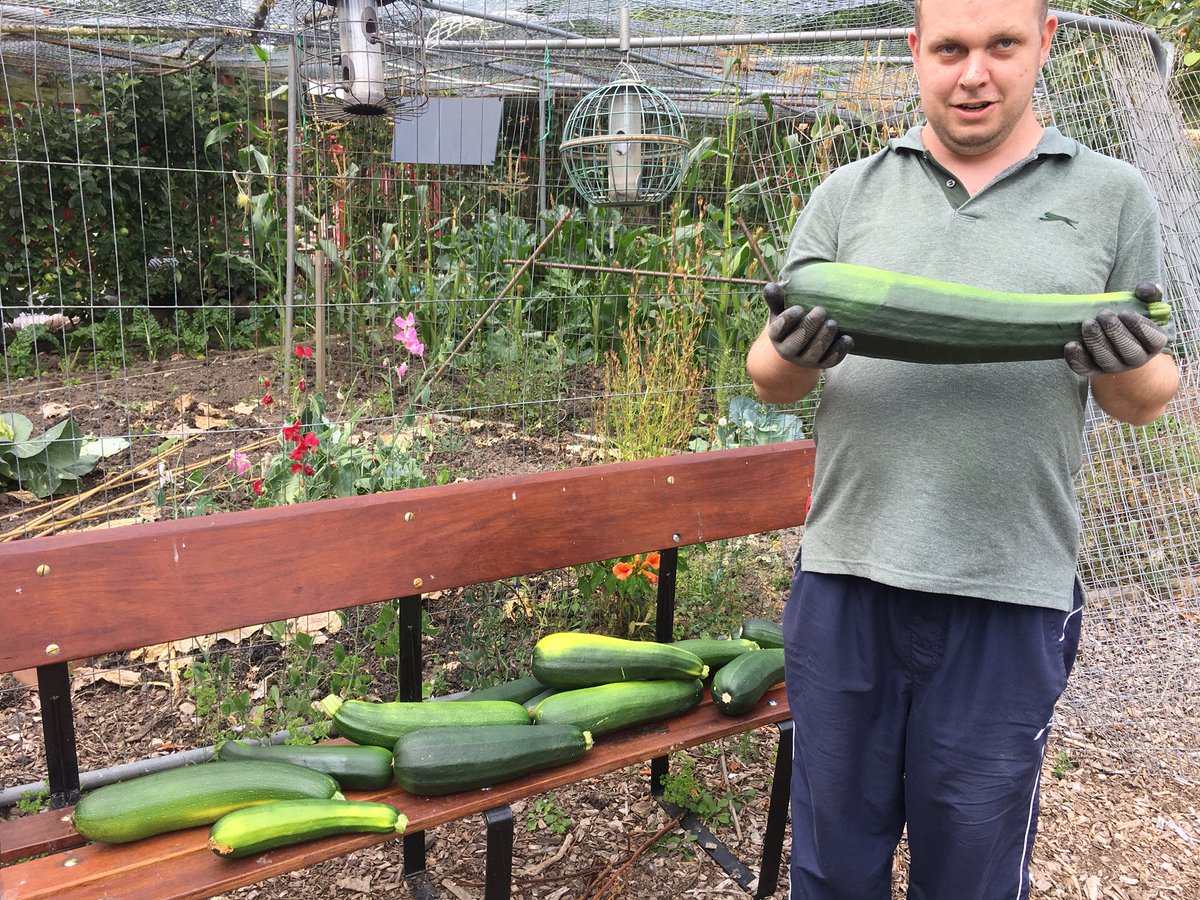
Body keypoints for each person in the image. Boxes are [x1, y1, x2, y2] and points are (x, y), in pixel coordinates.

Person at [745, 0, 1181, 896]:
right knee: (833, 866)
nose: (972, 73)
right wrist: (791, 352)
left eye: (1000, 46)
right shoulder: (849, 194)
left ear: (1044, 44)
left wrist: (1129, 360)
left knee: (974, 874)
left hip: (1009, 585)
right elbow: (769, 376)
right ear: (915, 52)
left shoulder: (1112, 195)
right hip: (847, 580)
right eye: (949, 49)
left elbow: (1145, 396)